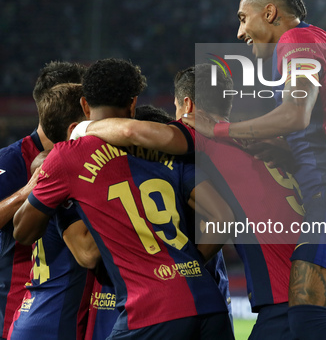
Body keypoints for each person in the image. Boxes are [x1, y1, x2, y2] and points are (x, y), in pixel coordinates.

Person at [183, 0, 326, 340]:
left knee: (308, 322)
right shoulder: (324, 43)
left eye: (243, 18)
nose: (239, 32)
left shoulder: (297, 40)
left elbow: (296, 113)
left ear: (270, 11)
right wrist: (282, 147)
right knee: (316, 325)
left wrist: (219, 129)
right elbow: (321, 128)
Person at [13, 58, 235, 340]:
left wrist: (51, 193)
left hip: (150, 308)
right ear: (133, 104)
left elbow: (23, 231)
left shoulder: (68, 155)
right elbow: (224, 218)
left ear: (84, 105)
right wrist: (187, 265)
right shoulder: (169, 150)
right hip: (209, 302)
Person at [80, 64, 306, 338]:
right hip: (320, 276)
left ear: (187, 104)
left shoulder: (201, 135)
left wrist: (82, 129)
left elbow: (130, 132)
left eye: (176, 107)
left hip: (285, 291)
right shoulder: (262, 137)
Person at [0, 61, 86, 340]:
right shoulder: (14, 158)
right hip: (6, 317)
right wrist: (25, 192)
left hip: (55, 316)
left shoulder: (81, 154)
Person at [8, 83, 100, 340]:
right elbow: (88, 254)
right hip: (53, 326)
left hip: (33, 316)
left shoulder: (51, 172)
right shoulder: (68, 180)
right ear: (75, 129)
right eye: (94, 122)